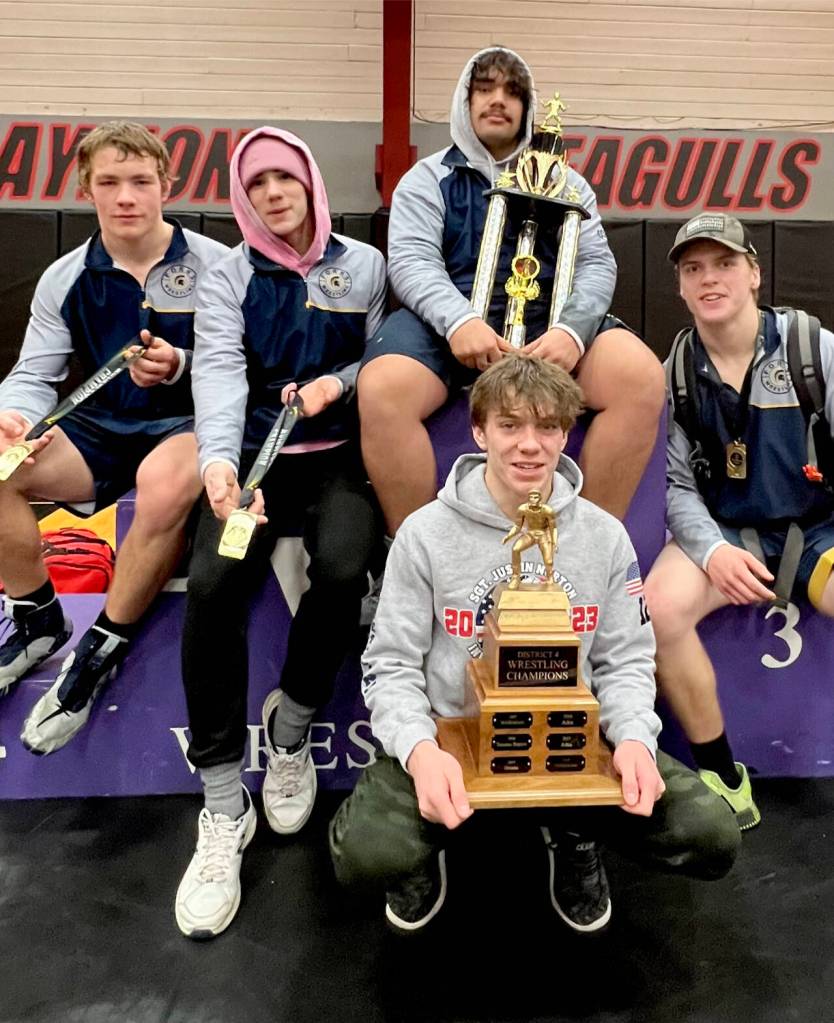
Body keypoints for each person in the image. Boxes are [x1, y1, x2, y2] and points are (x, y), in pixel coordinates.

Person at [330, 355, 739, 935]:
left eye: (547, 427)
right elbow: (390, 664)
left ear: (566, 433)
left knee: (710, 837)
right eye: (510, 425)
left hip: (573, 737)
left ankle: (576, 832)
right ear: (479, 431)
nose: (530, 445)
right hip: (456, 736)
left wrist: (632, 741)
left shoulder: (603, 535)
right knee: (365, 858)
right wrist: (421, 753)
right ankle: (419, 857)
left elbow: (624, 659)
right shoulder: (424, 534)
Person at [174, 126, 386, 940]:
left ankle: (290, 730)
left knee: (342, 568)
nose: (271, 191)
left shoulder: (362, 265)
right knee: (215, 584)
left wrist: (341, 380)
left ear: (309, 180)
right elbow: (220, 369)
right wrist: (221, 468)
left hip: (338, 462)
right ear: (243, 195)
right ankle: (225, 808)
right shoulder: (228, 276)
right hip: (255, 466)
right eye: (255, 181)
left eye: (283, 176)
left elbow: (393, 359)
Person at [358, 46, 665, 538]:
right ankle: (413, 557)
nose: (497, 100)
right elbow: (414, 262)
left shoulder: (567, 183)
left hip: (549, 325)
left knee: (641, 378)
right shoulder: (428, 179)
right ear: (464, 100)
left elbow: (596, 264)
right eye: (484, 89)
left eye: (511, 92)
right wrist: (459, 321)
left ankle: (588, 550)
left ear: (527, 106)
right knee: (381, 389)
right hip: (452, 328)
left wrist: (573, 331)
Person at [0, 121, 228, 755]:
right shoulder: (64, 277)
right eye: (109, 182)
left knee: (161, 486)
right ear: (86, 188)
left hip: (190, 424)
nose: (126, 196)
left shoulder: (219, 267)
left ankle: (99, 650)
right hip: (98, 428)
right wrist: (13, 417)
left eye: (140, 181)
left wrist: (180, 363)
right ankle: (37, 618)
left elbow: (246, 363)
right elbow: (32, 373)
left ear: (166, 185)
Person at [644, 213, 834, 831]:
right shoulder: (672, 373)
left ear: (754, 272)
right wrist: (710, 552)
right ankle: (723, 777)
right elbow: (674, 485)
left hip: (819, 528)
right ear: (680, 286)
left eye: (724, 264)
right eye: (693, 268)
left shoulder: (812, 350)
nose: (709, 278)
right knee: (661, 608)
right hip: (726, 529)